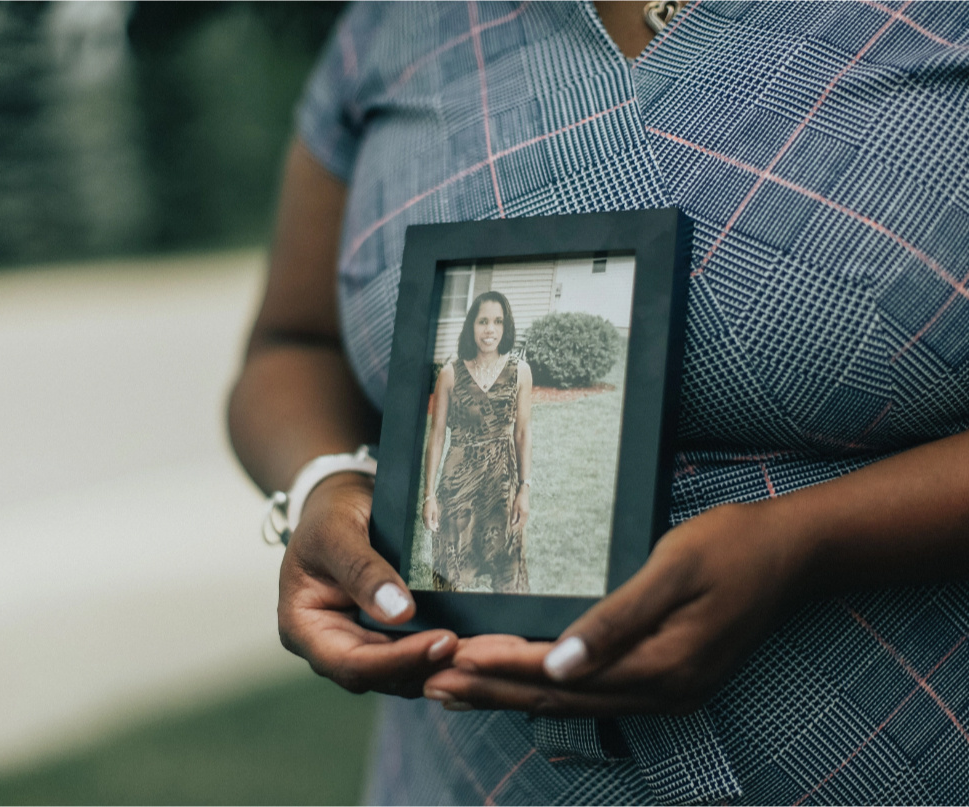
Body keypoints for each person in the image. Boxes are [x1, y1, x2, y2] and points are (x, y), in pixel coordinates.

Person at [228, 2, 969, 803]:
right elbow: (292, 346)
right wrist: (324, 483)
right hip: (468, 771)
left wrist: (808, 540)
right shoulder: (392, 27)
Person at [421, 291, 533, 593]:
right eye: (483, 321)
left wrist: (525, 488)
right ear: (472, 326)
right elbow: (437, 436)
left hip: (502, 486)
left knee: (508, 576)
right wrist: (429, 495)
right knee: (452, 577)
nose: (490, 330)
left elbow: (522, 432)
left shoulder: (520, 372)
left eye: (498, 321)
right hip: (458, 488)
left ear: (506, 327)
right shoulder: (449, 374)